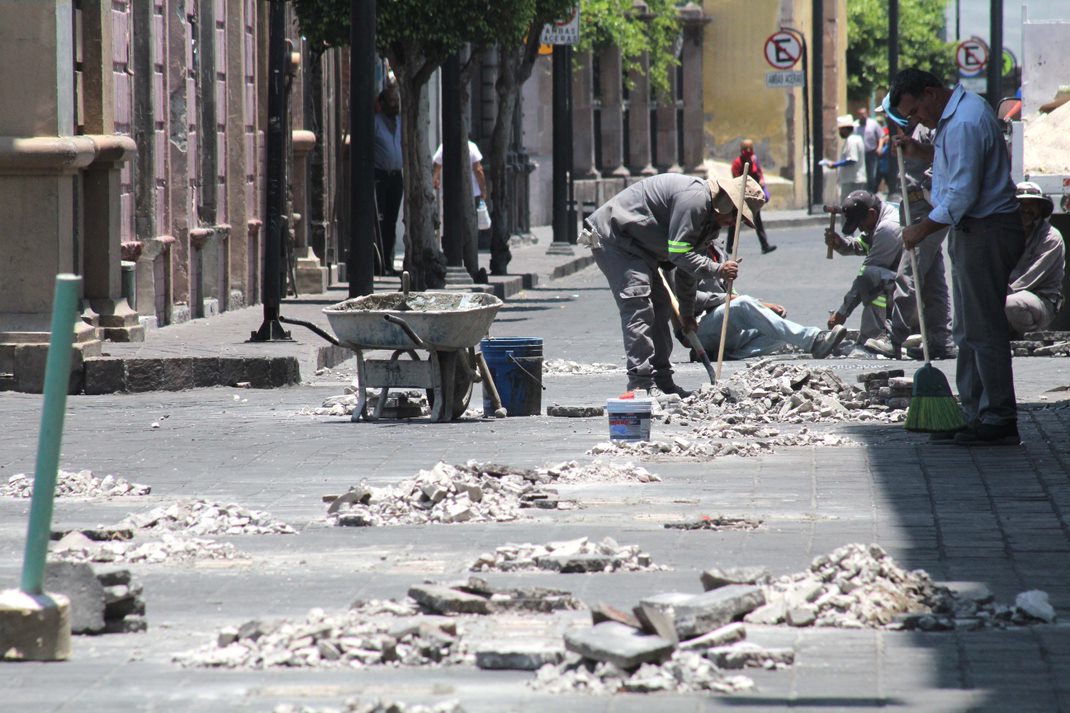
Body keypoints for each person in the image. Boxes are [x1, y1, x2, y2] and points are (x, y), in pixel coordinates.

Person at [891, 68, 1026, 446]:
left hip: (986, 229)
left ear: (931, 93)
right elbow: (954, 161)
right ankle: (974, 411)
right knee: (966, 330)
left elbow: (962, 193)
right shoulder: (958, 118)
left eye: (916, 111)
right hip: (971, 231)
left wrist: (920, 230)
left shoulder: (965, 121)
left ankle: (999, 416)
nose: (917, 120)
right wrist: (919, 151)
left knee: (983, 329)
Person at [580, 173, 765, 397]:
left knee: (662, 307)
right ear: (727, 203)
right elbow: (679, 254)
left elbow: (687, 271)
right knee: (639, 305)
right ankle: (641, 385)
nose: (733, 224)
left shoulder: (710, 224)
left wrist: (686, 314)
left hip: (643, 247)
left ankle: (663, 381)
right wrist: (718, 269)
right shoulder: (695, 200)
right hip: (616, 238)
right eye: (736, 217)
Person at [863, 104, 956, 361]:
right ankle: (940, 338)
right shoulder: (905, 135)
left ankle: (894, 337)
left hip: (927, 208)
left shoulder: (926, 132)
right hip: (912, 207)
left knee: (908, 270)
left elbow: (939, 165)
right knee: (933, 277)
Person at [694, 242, 846, 360]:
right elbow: (689, 298)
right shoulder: (688, 254)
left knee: (776, 325)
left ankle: (721, 356)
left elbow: (729, 291)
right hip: (700, 327)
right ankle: (813, 341)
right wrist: (733, 299)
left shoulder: (717, 249)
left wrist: (760, 307)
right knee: (744, 303)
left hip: (727, 328)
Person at [824, 190, 904, 345]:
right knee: (873, 276)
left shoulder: (888, 228)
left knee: (871, 278)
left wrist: (842, 313)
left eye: (860, 224)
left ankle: (873, 337)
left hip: (909, 289)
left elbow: (865, 276)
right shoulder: (879, 215)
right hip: (898, 281)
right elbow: (864, 243)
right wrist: (841, 244)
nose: (861, 229)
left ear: (871, 214)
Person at [1006, 181, 1066, 336]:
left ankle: (1033, 335)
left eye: (1031, 204)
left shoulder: (1051, 237)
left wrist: (995, 296)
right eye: (1020, 204)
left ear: (1040, 208)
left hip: (1040, 300)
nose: (1025, 209)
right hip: (1005, 295)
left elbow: (1028, 280)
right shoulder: (1005, 234)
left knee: (1010, 304)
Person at [373, 84, 403, 276]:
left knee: (391, 222)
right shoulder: (375, 122)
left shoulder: (400, 122)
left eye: (397, 102)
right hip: (380, 176)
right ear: (382, 103)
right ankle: (378, 263)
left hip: (396, 178)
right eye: (391, 101)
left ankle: (389, 263)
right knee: (380, 220)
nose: (395, 105)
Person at [727, 140, 777, 255]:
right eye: (746, 149)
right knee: (734, 221)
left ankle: (765, 245)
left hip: (752, 196)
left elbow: (759, 173)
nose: (748, 152)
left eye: (750, 149)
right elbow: (737, 180)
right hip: (741, 195)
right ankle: (729, 246)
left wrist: (761, 181)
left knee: (757, 221)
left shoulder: (754, 161)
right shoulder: (737, 163)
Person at [820, 115, 867, 200]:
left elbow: (852, 159)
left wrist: (835, 164)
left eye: (840, 130)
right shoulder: (857, 138)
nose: (840, 132)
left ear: (845, 129)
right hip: (856, 178)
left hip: (852, 179)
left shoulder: (851, 141)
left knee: (848, 205)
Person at [856, 107, 883, 193]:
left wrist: (879, 148)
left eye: (864, 114)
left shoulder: (873, 124)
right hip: (860, 154)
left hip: (871, 153)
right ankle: (862, 193)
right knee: (862, 175)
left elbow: (881, 136)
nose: (862, 116)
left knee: (872, 175)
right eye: (860, 114)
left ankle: (871, 193)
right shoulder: (855, 126)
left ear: (867, 114)